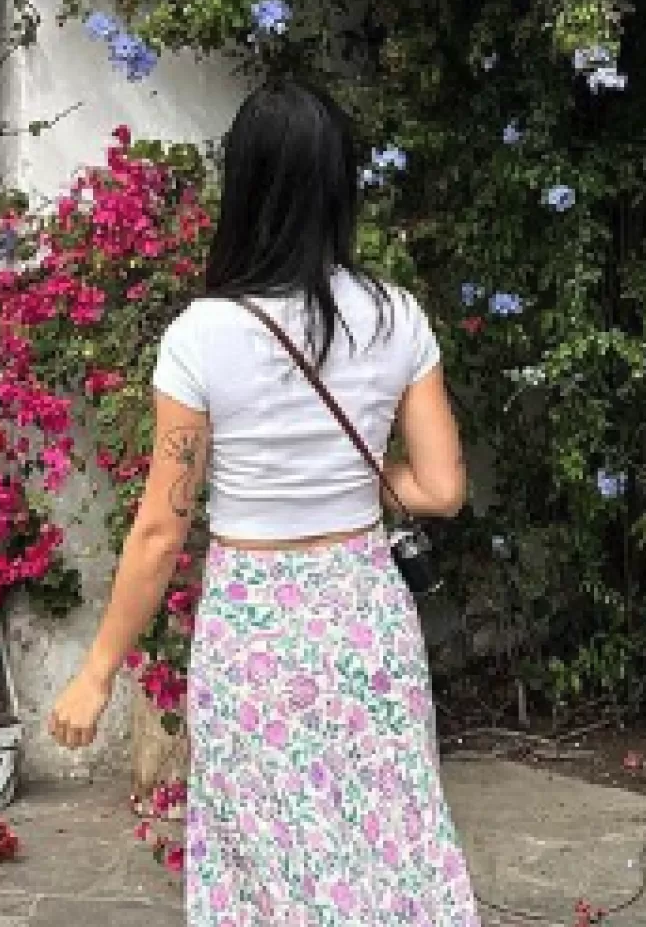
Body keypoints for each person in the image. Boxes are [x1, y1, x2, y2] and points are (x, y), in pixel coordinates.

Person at [47, 80, 482, 925]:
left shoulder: (201, 337)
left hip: (256, 633)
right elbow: (441, 487)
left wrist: (98, 672)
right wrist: (356, 479)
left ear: (244, 185)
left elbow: (162, 525)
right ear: (339, 187)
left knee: (269, 856)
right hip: (366, 616)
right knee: (390, 842)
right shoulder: (397, 316)